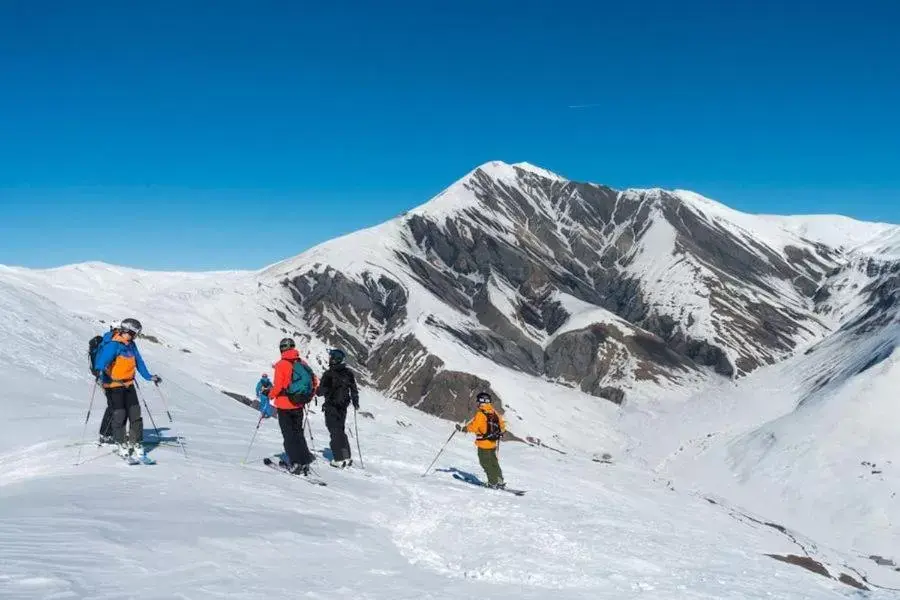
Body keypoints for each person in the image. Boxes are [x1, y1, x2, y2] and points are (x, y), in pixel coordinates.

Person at [93, 318, 161, 458]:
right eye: (136, 332)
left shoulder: (131, 345)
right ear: (129, 331)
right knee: (120, 414)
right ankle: (121, 442)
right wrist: (99, 370)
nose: (137, 335)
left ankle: (136, 442)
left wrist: (149, 376)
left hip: (129, 384)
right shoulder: (114, 345)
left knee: (135, 413)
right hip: (114, 385)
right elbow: (102, 361)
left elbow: (139, 362)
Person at [269, 337, 318, 475]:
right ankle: (304, 461)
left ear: (282, 349)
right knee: (298, 433)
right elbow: (314, 381)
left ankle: (295, 463)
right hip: (298, 404)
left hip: (285, 405)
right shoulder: (302, 363)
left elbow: (278, 386)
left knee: (288, 435)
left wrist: (270, 395)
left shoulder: (281, 364)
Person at [316, 348, 359, 468]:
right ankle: (346, 456)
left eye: (331, 356)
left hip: (331, 406)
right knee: (340, 431)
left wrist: (316, 390)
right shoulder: (348, 373)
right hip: (343, 407)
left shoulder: (329, 374)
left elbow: (321, 391)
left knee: (334, 431)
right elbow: (354, 390)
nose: (329, 358)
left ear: (335, 359)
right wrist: (355, 402)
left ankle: (339, 459)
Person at [456, 392, 506, 488]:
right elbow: (502, 425)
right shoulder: (493, 411)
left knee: (486, 463)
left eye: (478, 401)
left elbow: (474, 427)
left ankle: (492, 483)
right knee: (493, 462)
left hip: (483, 444)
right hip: (493, 443)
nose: (477, 403)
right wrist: (501, 432)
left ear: (482, 401)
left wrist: (463, 429)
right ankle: (500, 481)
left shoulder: (480, 414)